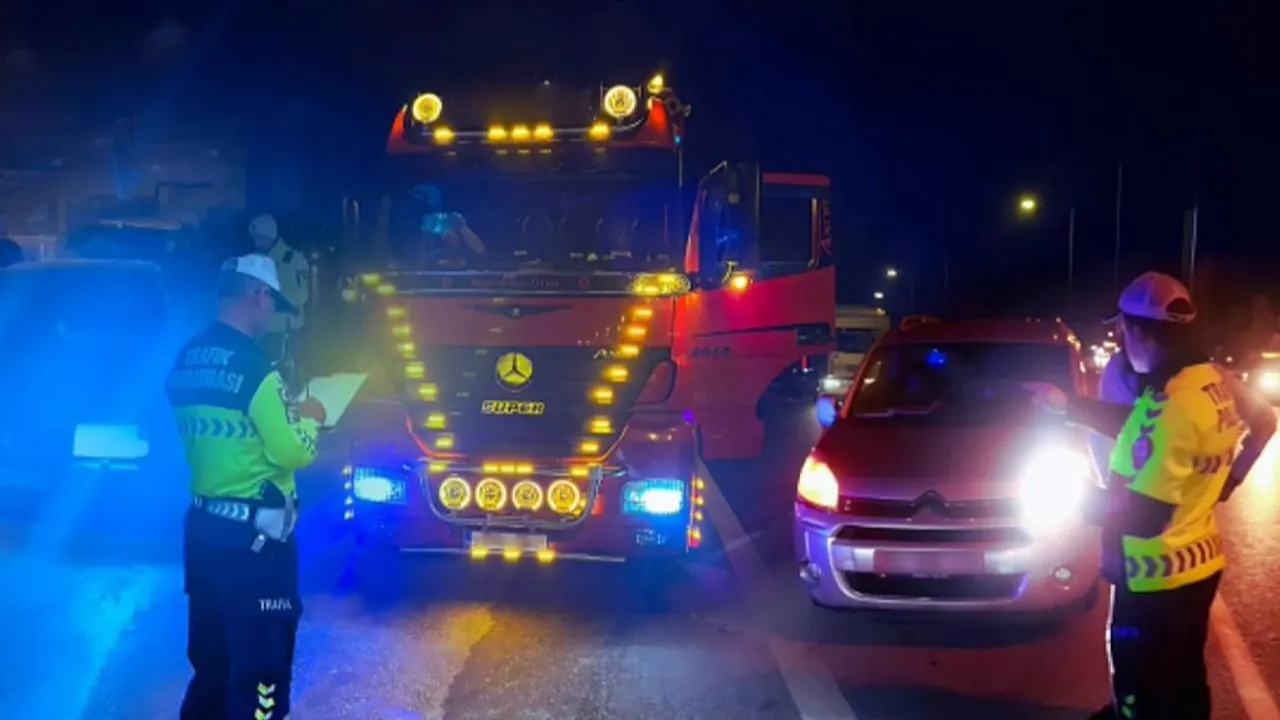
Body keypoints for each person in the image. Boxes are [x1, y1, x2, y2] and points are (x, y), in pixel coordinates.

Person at [1028, 272, 1271, 719]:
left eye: (1123, 333)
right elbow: (1145, 433)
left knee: (1140, 687)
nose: (1123, 344)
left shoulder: (1167, 406)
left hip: (1155, 579)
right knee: (1184, 675)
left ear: (1138, 332)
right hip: (1199, 564)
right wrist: (1069, 408)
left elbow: (1142, 518)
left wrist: (1070, 496)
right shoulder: (1207, 384)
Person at [166, 253, 327, 720]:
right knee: (262, 674)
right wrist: (310, 420)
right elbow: (291, 452)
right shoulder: (256, 369)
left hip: (203, 531)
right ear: (259, 296)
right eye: (272, 303)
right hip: (256, 544)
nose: (273, 315)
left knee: (212, 666)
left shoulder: (187, 358)